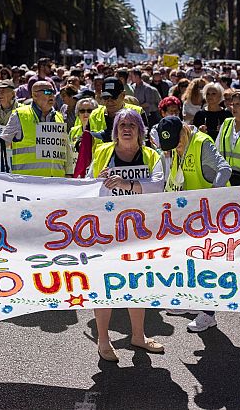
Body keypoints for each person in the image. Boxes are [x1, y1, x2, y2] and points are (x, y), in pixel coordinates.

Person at [87, 109, 165, 361]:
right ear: (115, 130)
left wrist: (128, 185)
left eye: (132, 124)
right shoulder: (102, 153)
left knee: (137, 283)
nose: (127, 128)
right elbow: (86, 184)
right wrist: (96, 181)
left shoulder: (152, 155)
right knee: (104, 285)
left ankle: (138, 336)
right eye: (122, 124)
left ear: (140, 130)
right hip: (107, 231)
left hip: (141, 232)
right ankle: (103, 339)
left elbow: (159, 185)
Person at [157, 116, 232, 332]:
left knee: (207, 265)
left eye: (177, 141)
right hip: (189, 216)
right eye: (170, 146)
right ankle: (191, 302)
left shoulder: (201, 143)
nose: (176, 147)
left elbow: (224, 169)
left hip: (210, 214)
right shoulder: (175, 150)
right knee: (189, 262)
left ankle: (208, 314)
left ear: (184, 131)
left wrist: (215, 194)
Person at [0, 81, 71, 177]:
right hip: (29, 182)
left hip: (57, 181)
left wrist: (69, 173)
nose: (52, 95)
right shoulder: (20, 115)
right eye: (47, 92)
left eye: (53, 92)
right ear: (35, 95)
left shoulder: (59, 116)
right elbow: (4, 141)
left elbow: (65, 147)